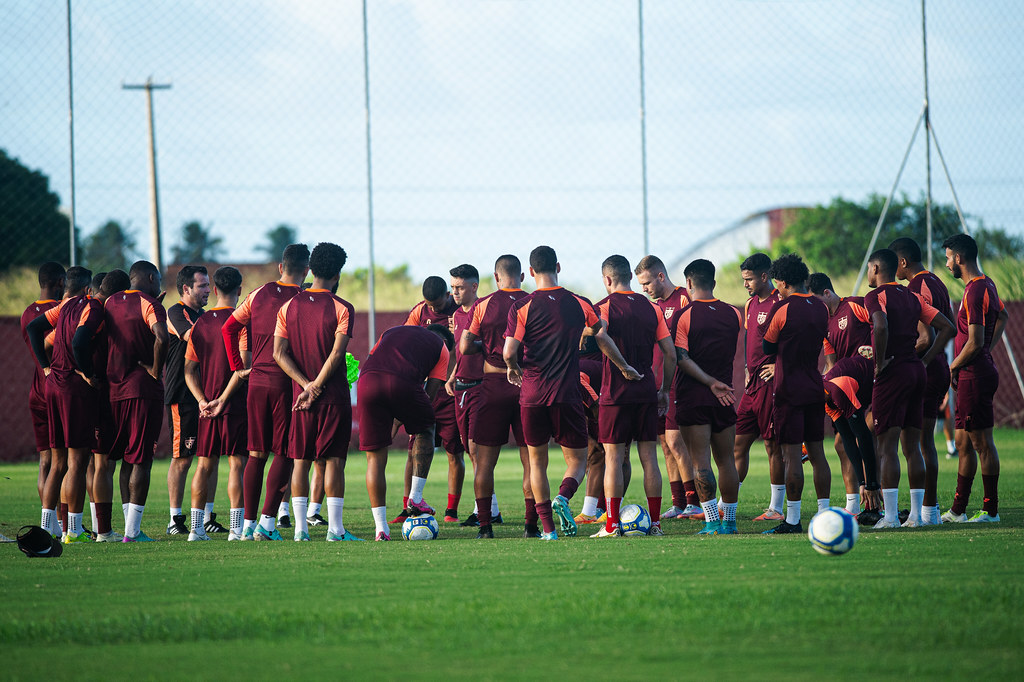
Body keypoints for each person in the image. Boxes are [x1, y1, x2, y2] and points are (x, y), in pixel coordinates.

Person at [503, 245, 640, 540]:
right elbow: (600, 332)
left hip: (532, 394)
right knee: (578, 461)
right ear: (559, 267)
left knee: (537, 462)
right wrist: (624, 365)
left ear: (529, 273)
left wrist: (512, 367)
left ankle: (548, 530)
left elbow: (508, 351)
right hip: (566, 394)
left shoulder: (521, 307)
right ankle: (563, 497)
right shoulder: (580, 303)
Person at [272, 243, 361, 542]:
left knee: (301, 460)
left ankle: (300, 530)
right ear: (337, 273)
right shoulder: (342, 307)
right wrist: (318, 387)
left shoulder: (288, 306)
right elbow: (337, 355)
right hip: (332, 397)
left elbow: (278, 353)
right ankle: (335, 531)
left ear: (310, 270)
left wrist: (305, 385)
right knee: (334, 460)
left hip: (301, 399)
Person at [221, 243, 310, 540]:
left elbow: (228, 329)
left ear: (281, 268)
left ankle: (246, 525)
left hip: (257, 382)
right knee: (284, 451)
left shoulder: (257, 294)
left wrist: (237, 367)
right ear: (306, 271)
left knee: (255, 454)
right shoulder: (303, 300)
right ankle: (267, 523)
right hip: (287, 383)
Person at [863, 249, 954, 529]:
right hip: (916, 372)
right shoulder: (912, 295)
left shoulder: (874, 296)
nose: (868, 273)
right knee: (913, 446)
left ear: (877, 268)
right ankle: (916, 516)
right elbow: (947, 328)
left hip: (894, 372)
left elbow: (880, 325)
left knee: (887, 447)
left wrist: (879, 364)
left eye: (868, 268)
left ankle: (890, 518)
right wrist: (924, 361)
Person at [591, 255, 674, 538]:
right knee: (649, 457)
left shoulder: (603, 306)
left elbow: (600, 336)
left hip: (615, 392)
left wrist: (622, 365)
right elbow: (671, 353)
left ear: (608, 279)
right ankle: (655, 524)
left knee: (613, 458)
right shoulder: (653, 309)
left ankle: (612, 525)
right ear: (629, 276)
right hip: (647, 390)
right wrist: (664, 390)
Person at [26, 266, 104, 542]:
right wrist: (85, 371)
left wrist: (46, 367)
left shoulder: (64, 306)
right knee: (77, 462)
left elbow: (34, 328)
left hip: (53, 386)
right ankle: (74, 529)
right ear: (88, 289)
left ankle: (48, 526)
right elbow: (81, 341)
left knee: (57, 462)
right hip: (74, 389)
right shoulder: (90, 306)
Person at [358, 323, 454, 541]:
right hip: (401, 382)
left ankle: (381, 529)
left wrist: (394, 420)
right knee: (427, 426)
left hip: (367, 381)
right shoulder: (442, 348)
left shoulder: (392, 330)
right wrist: (405, 418)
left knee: (374, 459)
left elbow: (376, 357)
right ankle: (415, 497)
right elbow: (429, 396)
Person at [460, 255, 533, 538]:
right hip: (527, 385)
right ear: (522, 277)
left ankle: (485, 527)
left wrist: (487, 345)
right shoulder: (532, 301)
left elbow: (465, 346)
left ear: (496, 277)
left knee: (484, 461)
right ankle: (531, 525)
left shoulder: (483, 304)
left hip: (492, 384)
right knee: (532, 460)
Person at [761, 254, 831, 535]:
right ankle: (825, 515)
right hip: (814, 386)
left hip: (788, 388)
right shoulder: (822, 308)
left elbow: (767, 348)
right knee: (817, 453)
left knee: (791, 456)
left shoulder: (783, 309)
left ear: (783, 282)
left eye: (777, 283)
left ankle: (792, 519)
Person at [940, 233, 1008, 523]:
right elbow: (1003, 317)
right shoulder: (985, 284)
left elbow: (975, 340)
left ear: (959, 258)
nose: (946, 264)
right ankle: (957, 510)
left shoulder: (976, 290)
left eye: (947, 258)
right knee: (963, 442)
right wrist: (984, 351)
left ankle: (990, 510)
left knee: (982, 443)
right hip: (972, 372)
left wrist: (953, 366)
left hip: (974, 375)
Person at [672, 259, 741, 535]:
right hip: (725, 396)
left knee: (700, 461)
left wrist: (709, 382)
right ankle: (731, 522)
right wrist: (717, 382)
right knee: (726, 460)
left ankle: (712, 521)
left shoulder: (684, 315)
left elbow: (681, 358)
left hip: (694, 396)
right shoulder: (735, 314)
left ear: (688, 283)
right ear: (713, 282)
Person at [890, 237, 955, 525]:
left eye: (895, 264)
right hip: (936, 370)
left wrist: (920, 360)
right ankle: (928, 510)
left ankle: (924, 511)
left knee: (913, 443)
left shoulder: (917, 287)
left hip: (925, 372)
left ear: (902, 263)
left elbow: (929, 334)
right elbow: (948, 326)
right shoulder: (938, 282)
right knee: (924, 442)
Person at [183, 266, 250, 541]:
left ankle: (196, 529)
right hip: (233, 405)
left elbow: (189, 370)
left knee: (204, 465)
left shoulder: (200, 323)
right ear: (240, 290)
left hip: (207, 408)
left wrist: (202, 401)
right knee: (237, 464)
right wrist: (223, 399)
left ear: (214, 289)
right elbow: (243, 368)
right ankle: (235, 529)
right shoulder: (241, 322)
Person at [104, 260, 168, 541]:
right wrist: (155, 369)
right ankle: (133, 531)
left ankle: (128, 527)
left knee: (125, 459)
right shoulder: (150, 305)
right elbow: (162, 337)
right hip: (142, 389)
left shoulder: (109, 302)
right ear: (152, 277)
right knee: (142, 458)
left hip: (114, 389)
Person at [633, 255, 700, 519]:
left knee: (675, 440)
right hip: (657, 384)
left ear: (661, 276)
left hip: (678, 385)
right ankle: (679, 502)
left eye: (647, 283)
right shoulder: (653, 307)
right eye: (640, 285)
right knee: (664, 442)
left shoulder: (684, 298)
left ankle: (694, 500)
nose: (644, 289)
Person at [808, 271, 877, 517]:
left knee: (871, 437)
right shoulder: (823, 324)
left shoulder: (856, 305)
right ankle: (856, 503)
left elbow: (881, 324)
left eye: (815, 301)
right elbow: (830, 363)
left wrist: (876, 353)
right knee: (840, 442)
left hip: (863, 377)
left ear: (827, 293)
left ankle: (875, 497)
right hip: (842, 386)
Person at [395, 276, 462, 524]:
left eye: (436, 303)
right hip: (425, 390)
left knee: (454, 451)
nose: (432, 309)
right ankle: (407, 506)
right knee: (414, 452)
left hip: (451, 392)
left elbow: (463, 350)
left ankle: (451, 512)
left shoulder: (460, 311)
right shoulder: (418, 313)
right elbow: (406, 340)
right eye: (428, 304)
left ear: (447, 294)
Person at [446, 263, 503, 527]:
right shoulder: (456, 316)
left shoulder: (485, 311)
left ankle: (487, 511)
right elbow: (460, 351)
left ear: (474, 286)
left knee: (477, 449)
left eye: (459, 287)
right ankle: (492, 508)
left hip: (481, 386)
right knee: (470, 451)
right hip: (461, 388)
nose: (454, 292)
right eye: (452, 287)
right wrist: (451, 375)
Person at [733, 253, 785, 522]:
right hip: (751, 385)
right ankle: (726, 503)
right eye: (743, 280)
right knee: (738, 444)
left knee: (771, 446)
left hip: (770, 386)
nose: (746, 285)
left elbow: (796, 339)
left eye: (749, 279)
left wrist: (780, 365)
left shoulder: (781, 302)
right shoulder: (750, 304)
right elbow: (748, 339)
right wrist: (744, 367)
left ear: (765, 276)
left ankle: (776, 508)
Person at [164, 265, 212, 536]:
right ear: (186, 288)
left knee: (209, 456)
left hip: (204, 395)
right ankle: (174, 519)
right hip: (182, 395)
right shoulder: (176, 312)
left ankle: (206, 516)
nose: (207, 290)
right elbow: (191, 336)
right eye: (202, 285)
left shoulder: (204, 315)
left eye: (208, 285)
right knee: (182, 457)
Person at [89, 270, 132, 541]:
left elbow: (46, 338)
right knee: (103, 462)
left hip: (80, 392)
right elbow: (79, 340)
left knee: (87, 462)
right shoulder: (99, 314)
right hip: (100, 393)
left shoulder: (73, 308)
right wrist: (86, 373)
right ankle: (102, 530)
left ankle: (87, 527)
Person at [20, 262, 65, 513]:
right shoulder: (61, 311)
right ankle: (67, 521)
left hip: (36, 389)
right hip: (58, 389)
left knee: (45, 460)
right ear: (60, 283)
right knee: (67, 460)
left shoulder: (27, 313)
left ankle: (50, 520)